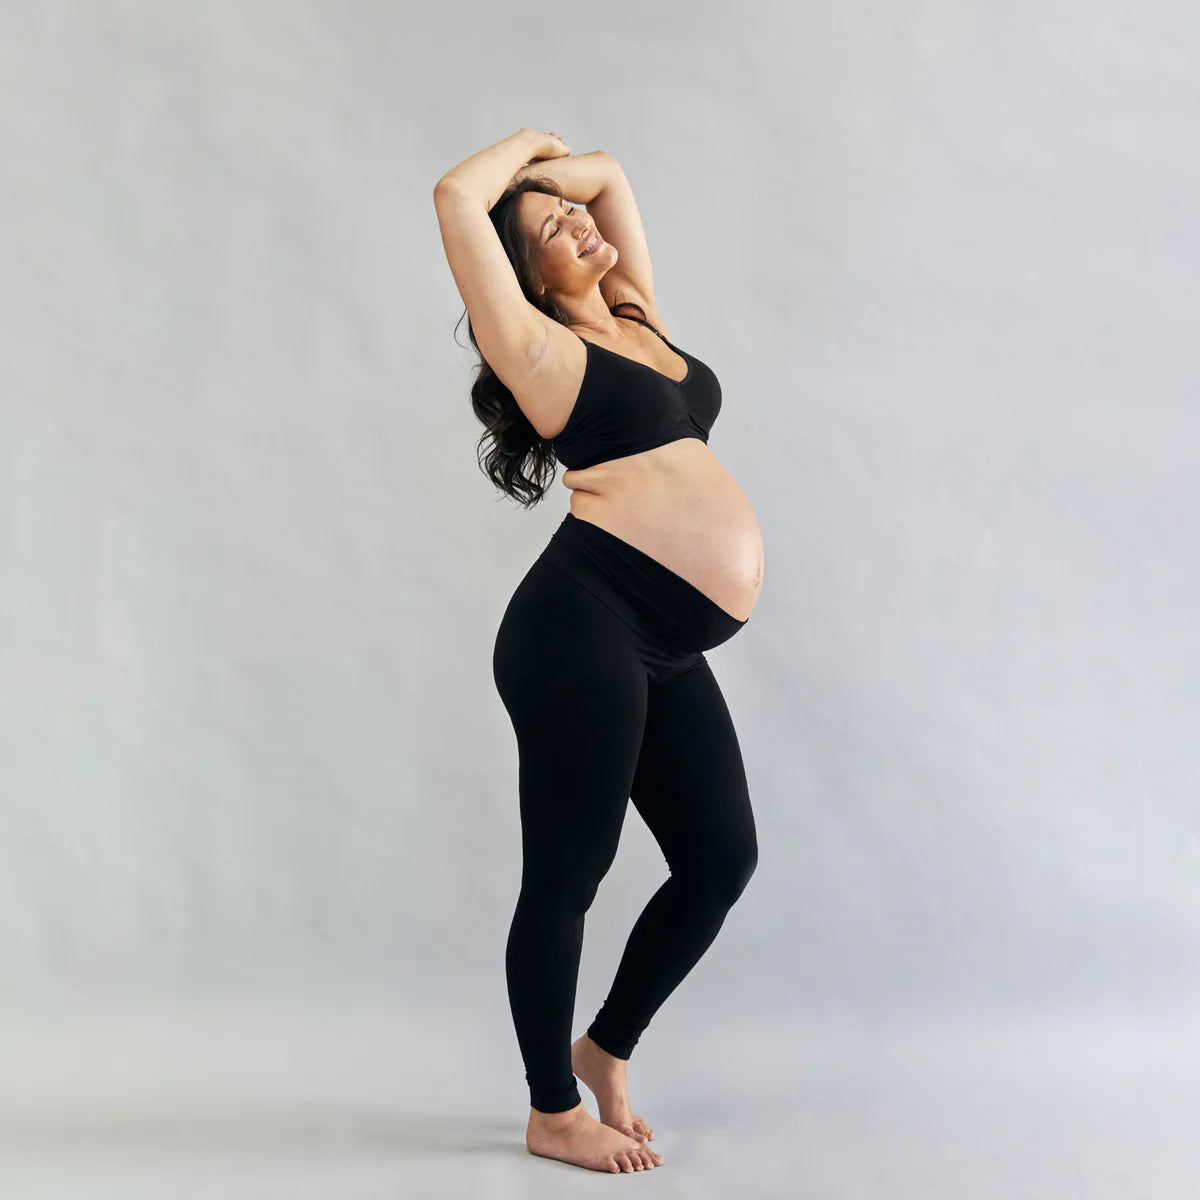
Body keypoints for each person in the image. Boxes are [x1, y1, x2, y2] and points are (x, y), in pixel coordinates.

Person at [433, 128, 765, 1174]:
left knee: (720, 860)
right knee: (569, 875)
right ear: (521, 280)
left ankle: (605, 1043)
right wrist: (524, 154)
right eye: (549, 230)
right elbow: (453, 196)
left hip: (663, 638)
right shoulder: (536, 353)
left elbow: (612, 177)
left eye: (572, 215)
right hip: (583, 627)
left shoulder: (636, 319)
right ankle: (549, 1106)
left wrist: (553, 189)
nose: (580, 220)